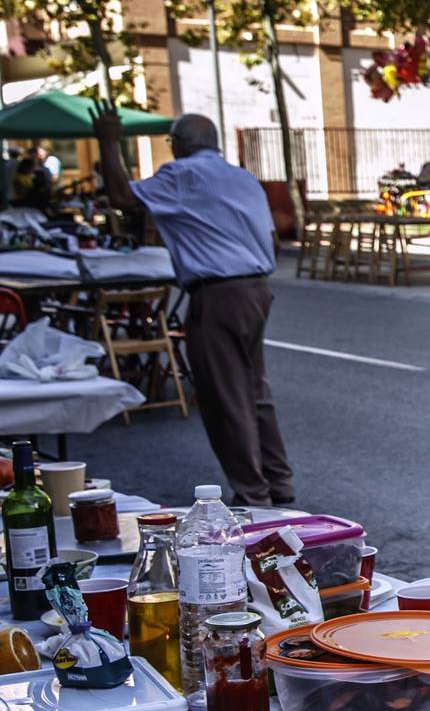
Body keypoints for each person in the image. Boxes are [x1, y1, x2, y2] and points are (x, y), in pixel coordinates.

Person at [90, 105, 295, 507]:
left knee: (225, 397)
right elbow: (270, 242)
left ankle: (253, 495)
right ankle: (278, 482)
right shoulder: (243, 178)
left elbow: (120, 197)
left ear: (180, 145)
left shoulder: (181, 175)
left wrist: (109, 141)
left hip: (218, 293)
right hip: (256, 289)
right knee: (254, 391)